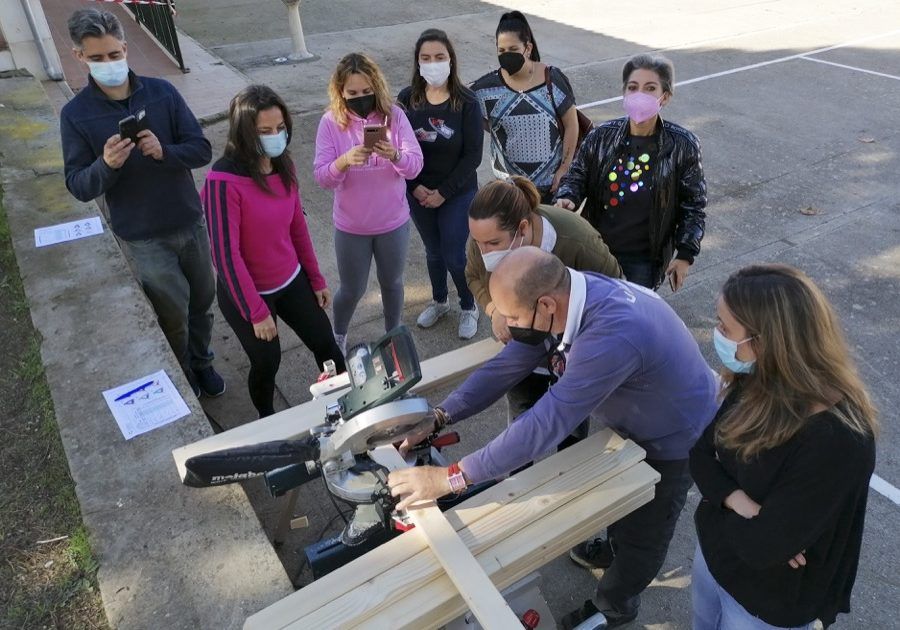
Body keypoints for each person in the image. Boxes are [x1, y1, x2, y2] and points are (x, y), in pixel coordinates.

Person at [388, 246, 719, 628]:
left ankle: (615, 607)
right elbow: (504, 368)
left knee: (647, 528)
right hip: (638, 418)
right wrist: (440, 415)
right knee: (625, 507)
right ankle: (615, 549)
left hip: (679, 436)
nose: (508, 326)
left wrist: (451, 477)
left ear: (545, 304)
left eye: (513, 317)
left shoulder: (612, 335)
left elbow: (545, 424)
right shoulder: (565, 299)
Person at [690, 264, 877, 629]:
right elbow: (700, 455)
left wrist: (719, 499)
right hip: (713, 562)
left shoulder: (839, 440)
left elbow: (761, 548)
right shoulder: (758, 378)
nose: (717, 335)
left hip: (768, 603)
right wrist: (741, 504)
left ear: (766, 341)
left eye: (725, 328)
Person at [60, 8, 223, 397]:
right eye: (97, 57)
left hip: (189, 220)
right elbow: (78, 184)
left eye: (114, 54)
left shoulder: (162, 92)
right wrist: (106, 165)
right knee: (173, 315)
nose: (109, 64)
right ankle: (182, 373)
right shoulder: (76, 115)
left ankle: (203, 362)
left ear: (125, 48)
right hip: (143, 236)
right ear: (79, 56)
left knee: (202, 303)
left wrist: (165, 152)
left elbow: (201, 149)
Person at [202, 86, 346, 418]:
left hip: (290, 279)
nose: (275, 136)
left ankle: (342, 403)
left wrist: (316, 278)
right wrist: (256, 312)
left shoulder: (284, 167)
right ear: (243, 132)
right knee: (267, 361)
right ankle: (267, 418)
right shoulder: (222, 182)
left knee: (326, 344)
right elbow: (225, 256)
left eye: (280, 128)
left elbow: (297, 228)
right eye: (264, 131)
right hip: (249, 293)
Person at [466, 176, 622, 451]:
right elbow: (473, 276)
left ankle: (570, 464)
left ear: (523, 228)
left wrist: (582, 342)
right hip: (521, 345)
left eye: (492, 243)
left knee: (571, 423)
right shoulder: (483, 234)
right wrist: (494, 310)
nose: (483, 252)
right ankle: (520, 467)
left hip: (575, 346)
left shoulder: (577, 240)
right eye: (479, 243)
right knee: (521, 418)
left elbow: (615, 290)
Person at [555, 54, 707, 292]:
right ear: (624, 92)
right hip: (595, 249)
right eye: (633, 87)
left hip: (643, 261)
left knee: (630, 311)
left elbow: (694, 205)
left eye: (650, 88)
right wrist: (567, 196)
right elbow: (577, 175)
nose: (640, 95)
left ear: (665, 96)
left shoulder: (683, 146)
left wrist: (685, 255)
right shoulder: (601, 136)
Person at [314, 53, 423, 354]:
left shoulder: (394, 116)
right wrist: (344, 161)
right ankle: (338, 335)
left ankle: (392, 336)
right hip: (352, 227)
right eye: (352, 93)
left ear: (377, 87)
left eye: (366, 91)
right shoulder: (330, 123)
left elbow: (415, 166)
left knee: (392, 283)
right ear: (340, 92)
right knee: (352, 289)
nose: (361, 98)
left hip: (392, 223)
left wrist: (395, 155)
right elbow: (322, 177)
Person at [398, 29, 484, 339]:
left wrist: (443, 193)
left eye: (439, 57)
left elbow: (473, 155)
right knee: (433, 252)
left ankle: (469, 305)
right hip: (419, 192)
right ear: (417, 62)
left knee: (454, 254)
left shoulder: (467, 102)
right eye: (426, 58)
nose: (433, 63)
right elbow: (398, 148)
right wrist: (414, 186)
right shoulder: (407, 100)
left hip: (457, 192)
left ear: (451, 60)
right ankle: (439, 301)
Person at [471, 11, 579, 203]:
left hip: (551, 189)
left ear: (527, 48)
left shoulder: (552, 79)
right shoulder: (484, 89)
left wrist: (564, 168)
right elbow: (465, 112)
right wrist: (496, 127)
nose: (506, 55)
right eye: (501, 50)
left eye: (513, 49)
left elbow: (571, 124)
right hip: (509, 192)